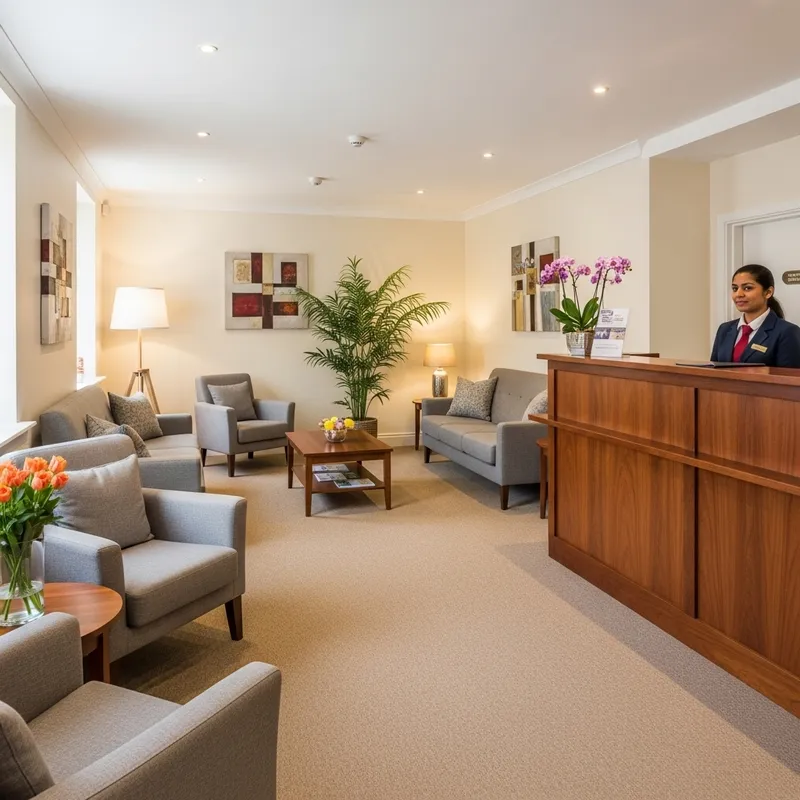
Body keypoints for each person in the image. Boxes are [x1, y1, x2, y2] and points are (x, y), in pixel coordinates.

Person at [710, 264, 800, 367]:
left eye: (747, 288)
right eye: (735, 289)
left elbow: (789, 379)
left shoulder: (787, 332)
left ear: (768, 292)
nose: (739, 294)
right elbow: (713, 372)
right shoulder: (724, 329)